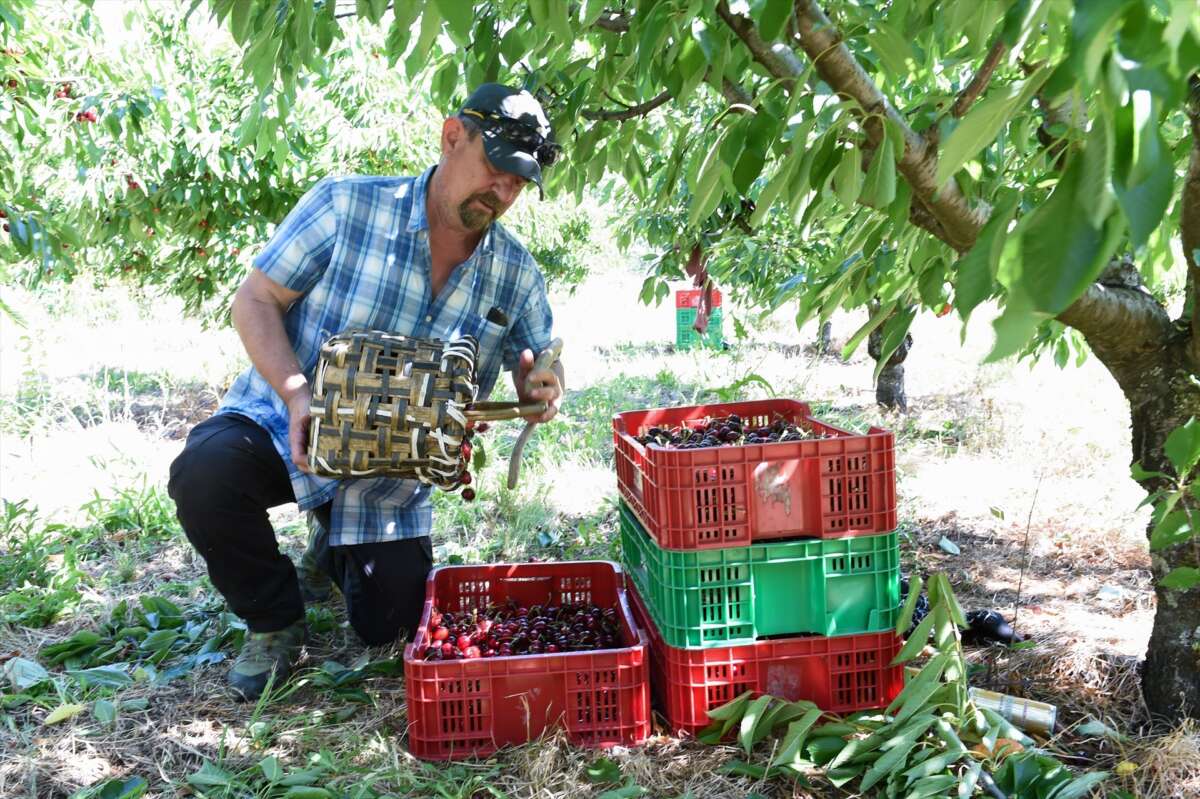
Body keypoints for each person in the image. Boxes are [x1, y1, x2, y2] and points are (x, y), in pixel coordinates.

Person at [167, 84, 565, 701]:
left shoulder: (515, 272)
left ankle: (332, 546)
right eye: (495, 170)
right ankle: (274, 619)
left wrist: (539, 385)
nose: (503, 192)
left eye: (518, 184)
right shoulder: (347, 205)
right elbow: (255, 299)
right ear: (452, 137)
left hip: (388, 479)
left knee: (390, 627)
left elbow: (539, 362)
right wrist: (298, 393)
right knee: (205, 473)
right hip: (294, 426)